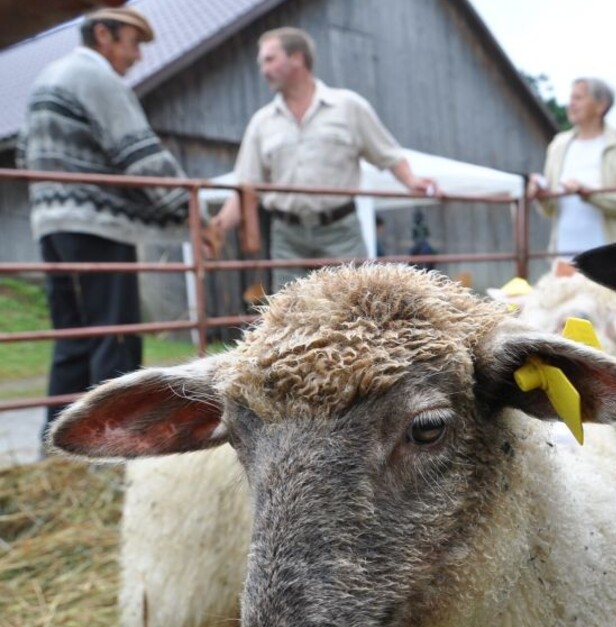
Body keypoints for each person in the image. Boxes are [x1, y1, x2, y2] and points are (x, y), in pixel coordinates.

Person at [17, 7, 209, 439]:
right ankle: (110, 450)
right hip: (94, 226)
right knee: (116, 337)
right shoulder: (96, 77)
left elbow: (24, 154)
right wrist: (194, 211)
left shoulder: (47, 78)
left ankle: (53, 449)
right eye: (133, 42)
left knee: (73, 339)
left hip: (51, 223)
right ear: (103, 33)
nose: (138, 55)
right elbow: (140, 155)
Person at [210, 27, 437, 291]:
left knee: (354, 308)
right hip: (287, 235)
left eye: (270, 59)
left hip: (340, 231)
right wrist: (217, 228)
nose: (263, 69)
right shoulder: (262, 122)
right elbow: (245, 186)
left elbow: (388, 154)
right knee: (289, 314)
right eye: (261, 62)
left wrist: (411, 180)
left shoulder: (348, 107)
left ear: (297, 57)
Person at [527, 77, 616, 256]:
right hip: (564, 257)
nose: (570, 104)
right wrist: (540, 193)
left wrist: (588, 194)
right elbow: (550, 209)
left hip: (611, 261)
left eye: (578, 98)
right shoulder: (558, 145)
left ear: (601, 105)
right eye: (571, 98)